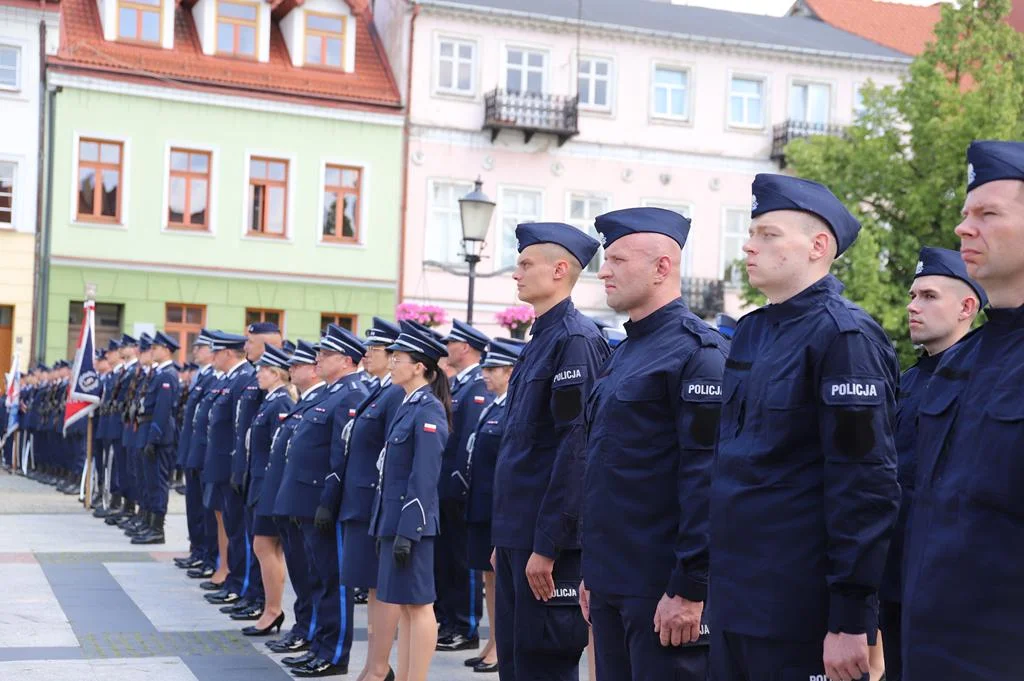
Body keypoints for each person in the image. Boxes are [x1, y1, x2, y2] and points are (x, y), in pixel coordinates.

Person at [709, 174, 900, 681]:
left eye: (768, 234)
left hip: (800, 609)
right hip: (736, 600)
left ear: (818, 247)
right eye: (751, 233)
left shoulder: (845, 337)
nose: (749, 245)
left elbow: (865, 483)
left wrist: (850, 618)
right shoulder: (751, 331)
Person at [581, 207, 728, 681]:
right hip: (611, 580)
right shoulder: (625, 352)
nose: (604, 271)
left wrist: (690, 588)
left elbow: (707, 480)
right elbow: (605, 469)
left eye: (618, 260)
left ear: (662, 267)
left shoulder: (698, 353)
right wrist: (593, 573)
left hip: (662, 589)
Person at [902, 140, 1024, 681]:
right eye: (965, 213)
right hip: (930, 645)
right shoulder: (959, 361)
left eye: (987, 214)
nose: (963, 228)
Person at [492, 222, 611, 681]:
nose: (516, 273)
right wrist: (504, 540)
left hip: (545, 544)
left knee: (543, 665)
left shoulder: (575, 341)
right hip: (518, 536)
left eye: (526, 264)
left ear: (560, 270)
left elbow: (575, 449)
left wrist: (548, 545)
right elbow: (521, 447)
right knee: (515, 665)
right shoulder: (540, 339)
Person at [876, 246, 985, 681]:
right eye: (912, 295)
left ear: (966, 307)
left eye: (928, 296)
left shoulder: (983, 381)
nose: (912, 306)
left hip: (950, 585)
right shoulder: (907, 380)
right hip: (897, 577)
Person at [275, 324, 369, 678]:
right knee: (317, 577)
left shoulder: (351, 395)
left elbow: (340, 457)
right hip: (307, 500)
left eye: (326, 354)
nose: (318, 359)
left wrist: (328, 503)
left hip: (323, 503)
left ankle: (335, 654)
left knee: (333, 581)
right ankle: (318, 645)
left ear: (346, 360)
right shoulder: (331, 393)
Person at [365, 326, 451, 681]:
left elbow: (424, 476)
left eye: (398, 359)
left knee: (419, 605)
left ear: (419, 367)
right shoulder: (408, 404)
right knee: (404, 605)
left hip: (411, 523)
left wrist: (409, 529)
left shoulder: (428, 408)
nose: (392, 363)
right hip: (394, 518)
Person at [326, 317, 405, 681]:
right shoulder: (378, 389)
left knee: (381, 588)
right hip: (360, 502)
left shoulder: (394, 394)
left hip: (373, 502)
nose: (367, 353)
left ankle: (379, 666)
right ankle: (374, 664)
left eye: (375, 348)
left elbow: (391, 455)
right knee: (371, 587)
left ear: (393, 356)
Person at [463, 337, 524, 674]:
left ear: (510, 371)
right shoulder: (494, 405)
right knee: (488, 576)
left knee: (500, 578)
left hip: (498, 507)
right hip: (482, 504)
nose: (485, 374)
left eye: (493, 369)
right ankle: (493, 640)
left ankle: (502, 645)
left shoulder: (513, 405)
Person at [265, 340, 324, 656]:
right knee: (301, 571)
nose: (291, 369)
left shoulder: (321, 399)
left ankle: (309, 630)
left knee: (311, 573)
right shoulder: (305, 401)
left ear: (314, 370)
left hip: (307, 501)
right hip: (291, 497)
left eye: (298, 365)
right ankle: (303, 627)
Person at [436, 319, 492, 652]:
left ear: (466, 347)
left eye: (451, 343)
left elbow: (469, 441)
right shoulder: (458, 384)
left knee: (462, 560)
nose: (447, 348)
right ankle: (448, 621)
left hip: (457, 488)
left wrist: (458, 484)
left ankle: (466, 626)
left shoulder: (477, 386)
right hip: (444, 486)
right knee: (446, 558)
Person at [227, 322, 284, 619]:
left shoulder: (279, 396)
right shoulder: (258, 383)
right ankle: (251, 593)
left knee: (262, 544)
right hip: (250, 471)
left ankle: (260, 599)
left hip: (264, 480)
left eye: (250, 342)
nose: (245, 347)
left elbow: (274, 446)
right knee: (249, 538)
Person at [240, 344, 296, 636]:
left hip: (269, 486)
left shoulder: (281, 403)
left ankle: (273, 609)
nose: (258, 374)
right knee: (264, 547)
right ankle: (270, 608)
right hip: (260, 482)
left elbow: (280, 452)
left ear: (276, 374)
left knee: (265, 546)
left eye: (264, 370)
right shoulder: (271, 400)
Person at [203, 332, 255, 606]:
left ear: (228, 353)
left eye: (216, 351)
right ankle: (232, 578)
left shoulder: (244, 378)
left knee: (238, 530)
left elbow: (240, 428)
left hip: (232, 465)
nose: (212, 356)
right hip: (221, 464)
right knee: (229, 524)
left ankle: (240, 584)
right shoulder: (230, 379)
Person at [133, 331, 182, 544]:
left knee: (157, 482)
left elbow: (162, 410)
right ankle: (148, 523)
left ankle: (157, 529)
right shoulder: (158, 373)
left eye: (155, 348)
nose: (151, 351)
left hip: (158, 434)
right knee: (148, 480)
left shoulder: (167, 375)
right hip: (148, 430)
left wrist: (153, 438)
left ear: (166, 350)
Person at [174, 331, 217, 571]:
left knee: (204, 509)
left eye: (200, 347)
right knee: (193, 506)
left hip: (203, 453)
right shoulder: (203, 376)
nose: (194, 351)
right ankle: (197, 550)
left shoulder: (213, 378)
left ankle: (206, 554)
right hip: (194, 450)